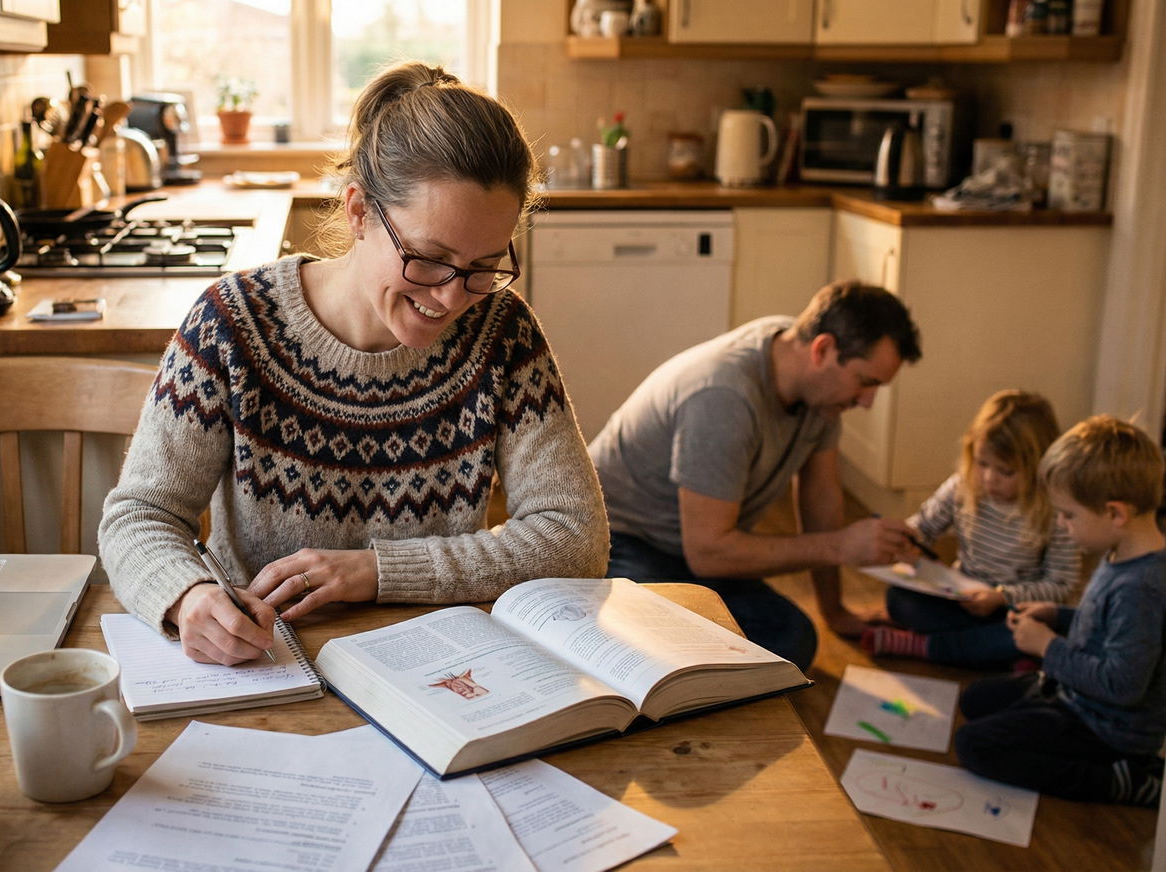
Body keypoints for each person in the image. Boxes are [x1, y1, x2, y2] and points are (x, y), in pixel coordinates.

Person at [99, 61, 608, 665]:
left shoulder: (504, 334)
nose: (450, 296)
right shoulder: (232, 324)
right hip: (268, 667)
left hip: (442, 671)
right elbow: (140, 514)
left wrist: (376, 572)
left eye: (482, 266)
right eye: (428, 258)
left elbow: (576, 537)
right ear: (360, 212)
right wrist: (187, 596)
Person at [588, 280, 923, 671]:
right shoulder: (724, 397)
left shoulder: (809, 373)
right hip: (616, 541)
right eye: (866, 382)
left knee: (792, 638)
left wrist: (835, 611)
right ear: (823, 349)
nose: (867, 401)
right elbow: (710, 553)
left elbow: (821, 501)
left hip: (689, 548)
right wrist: (842, 546)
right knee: (656, 654)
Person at [955, 416, 1166, 806]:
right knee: (976, 699)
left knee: (974, 746)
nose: (1061, 523)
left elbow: (1123, 686)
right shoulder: (1125, 553)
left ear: (1115, 513)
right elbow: (1108, 631)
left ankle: (1120, 779)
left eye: (1069, 514)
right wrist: (1058, 617)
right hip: (1075, 695)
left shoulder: (1142, 587)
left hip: (1104, 728)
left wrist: (1048, 648)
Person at [861, 390, 1081, 668]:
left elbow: (1061, 585)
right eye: (982, 463)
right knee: (899, 600)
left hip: (1013, 610)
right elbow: (924, 526)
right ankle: (997, 653)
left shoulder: (1054, 509)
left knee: (1034, 631)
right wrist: (908, 540)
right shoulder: (963, 486)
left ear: (1038, 466)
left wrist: (1002, 596)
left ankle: (924, 646)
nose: (990, 479)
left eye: (1006, 471)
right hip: (962, 599)